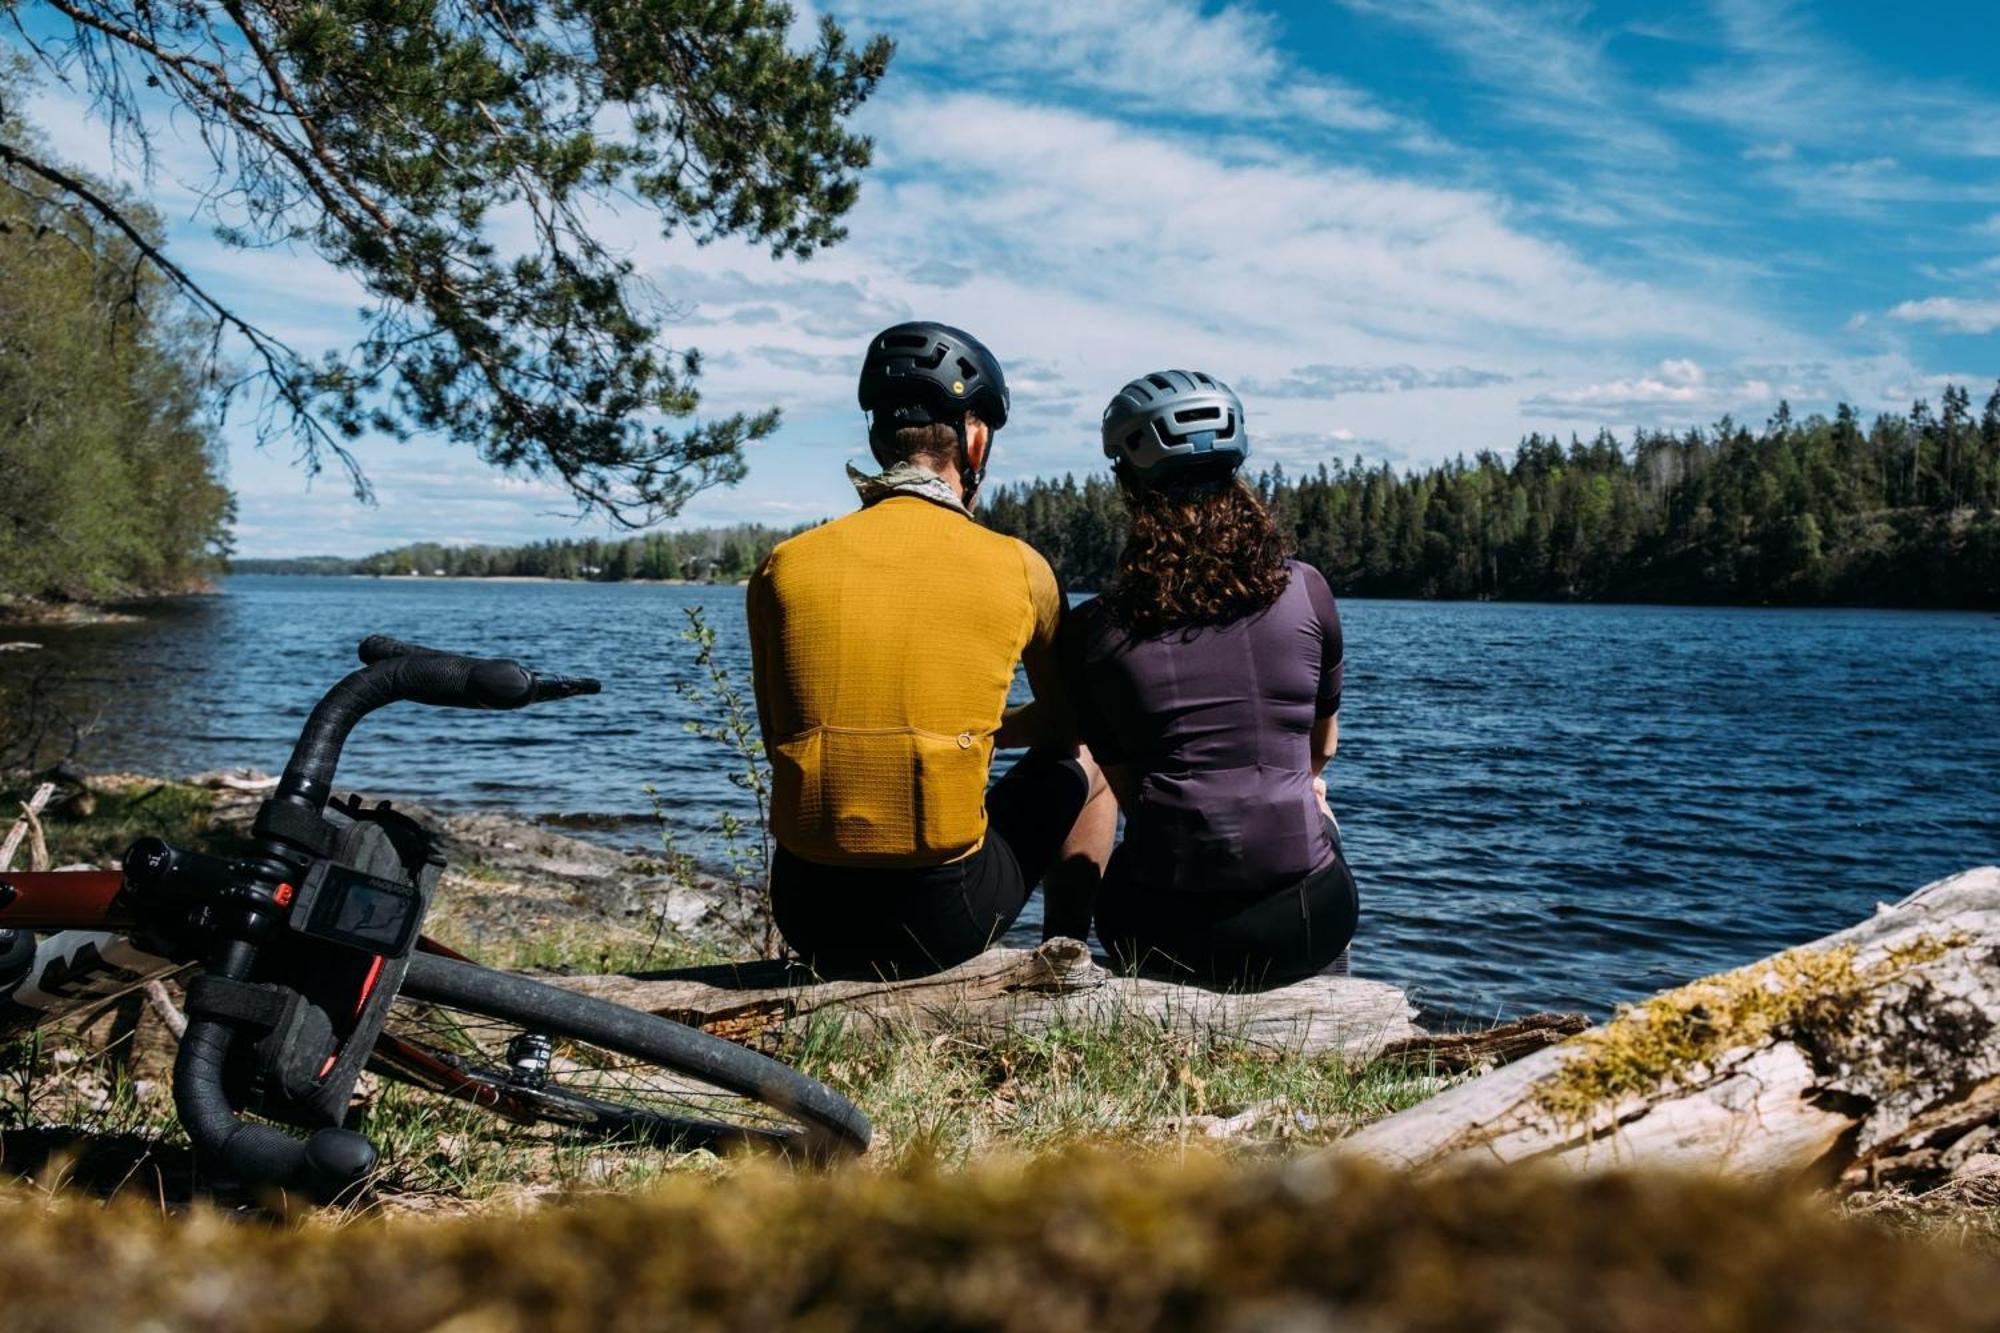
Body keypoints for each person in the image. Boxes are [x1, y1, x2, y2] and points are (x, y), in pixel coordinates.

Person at [746, 321, 1115, 978]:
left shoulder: (785, 565)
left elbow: (781, 733)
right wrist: (976, 735)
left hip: (806, 912)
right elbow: (1067, 727)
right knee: (1091, 761)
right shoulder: (1020, 568)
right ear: (974, 440)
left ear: (877, 438)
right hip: (939, 921)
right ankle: (1069, 954)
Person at [1063, 370, 1357, 989]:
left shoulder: (1096, 627)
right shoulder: (1307, 588)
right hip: (1303, 923)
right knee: (1315, 813)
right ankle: (1326, 1011)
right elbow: (1321, 750)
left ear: (1129, 483)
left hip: (1161, 931)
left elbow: (1127, 787)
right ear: (1237, 470)